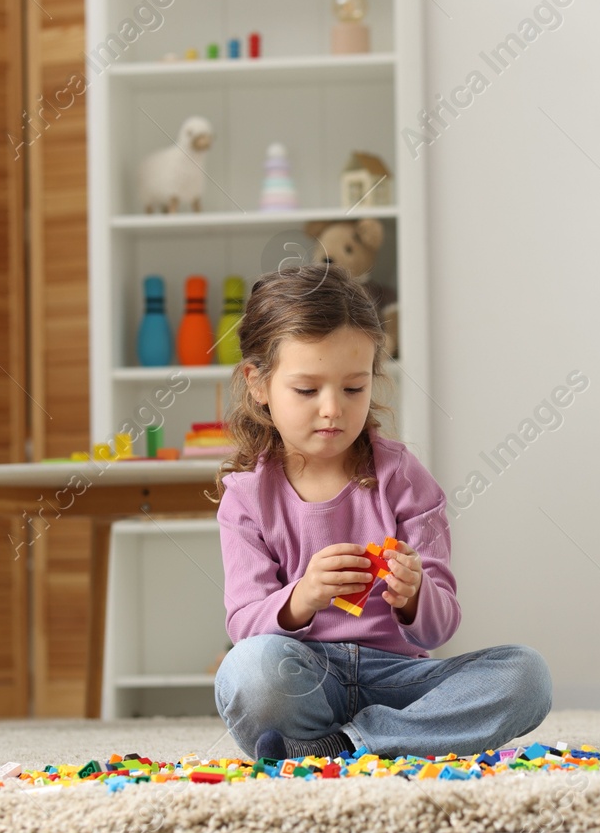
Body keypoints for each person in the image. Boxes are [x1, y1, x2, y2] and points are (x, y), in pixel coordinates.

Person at [211, 262, 551, 761]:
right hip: (303, 674)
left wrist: (414, 595)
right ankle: (364, 740)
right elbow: (244, 624)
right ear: (258, 384)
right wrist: (302, 596)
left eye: (354, 388)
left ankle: (346, 745)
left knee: (526, 676)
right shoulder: (246, 496)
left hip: (399, 678)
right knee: (248, 670)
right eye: (307, 390)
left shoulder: (403, 477)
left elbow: (440, 627)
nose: (333, 408)